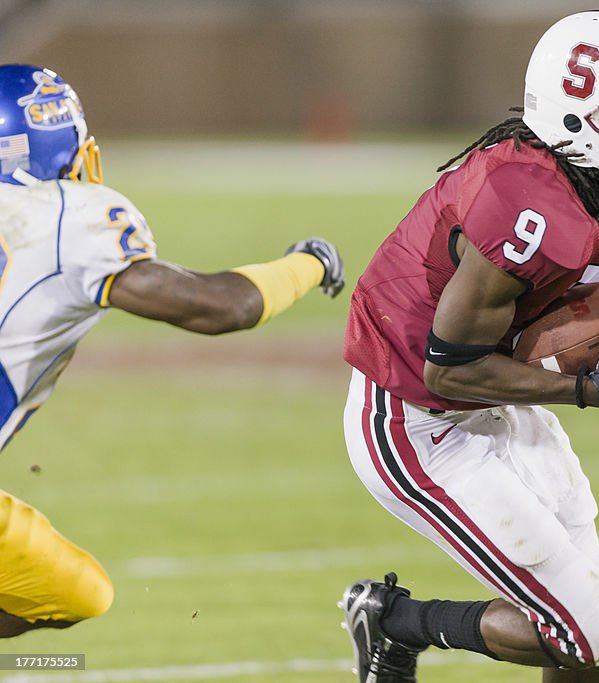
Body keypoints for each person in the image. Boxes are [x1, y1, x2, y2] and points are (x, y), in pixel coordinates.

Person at [338, 11, 599, 682]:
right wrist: (579, 388)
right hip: (413, 415)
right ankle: (395, 622)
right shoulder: (519, 201)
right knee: (588, 628)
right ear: (581, 115)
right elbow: (450, 365)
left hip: (501, 401)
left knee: (590, 630)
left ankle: (394, 624)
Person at [0, 64, 345, 638]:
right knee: (69, 595)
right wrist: (308, 263)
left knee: (76, 590)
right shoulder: (67, 215)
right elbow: (219, 307)